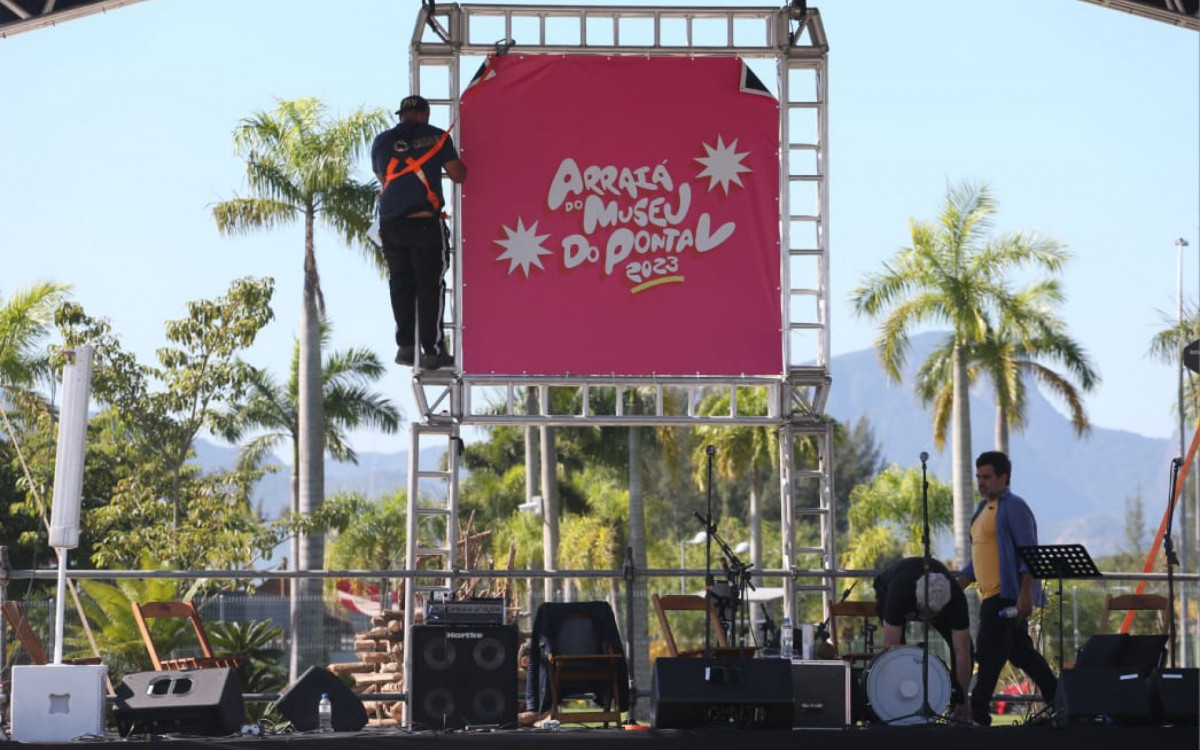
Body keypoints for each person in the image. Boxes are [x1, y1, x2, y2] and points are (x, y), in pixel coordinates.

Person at [957, 450, 1057, 726]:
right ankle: (1061, 699)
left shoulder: (1013, 507)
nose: (981, 482)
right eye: (979, 476)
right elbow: (979, 556)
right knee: (1021, 654)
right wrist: (959, 584)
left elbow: (1028, 553)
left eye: (987, 476)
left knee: (988, 655)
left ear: (1003, 477)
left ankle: (977, 715)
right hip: (988, 594)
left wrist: (1026, 593)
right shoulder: (981, 511)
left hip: (1006, 596)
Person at [371, 94, 467, 370]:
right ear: (425, 113)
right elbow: (458, 174)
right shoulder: (436, 137)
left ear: (401, 115)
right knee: (430, 286)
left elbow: (383, 177)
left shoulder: (382, 141)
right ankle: (431, 350)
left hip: (391, 224)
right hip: (424, 222)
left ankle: (405, 346)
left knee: (400, 283)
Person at [873, 557, 973, 723]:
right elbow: (890, 646)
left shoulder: (955, 598)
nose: (927, 618)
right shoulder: (900, 590)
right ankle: (895, 709)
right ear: (918, 603)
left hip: (934, 601)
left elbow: (962, 651)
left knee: (968, 648)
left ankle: (957, 710)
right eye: (926, 612)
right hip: (888, 587)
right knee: (899, 653)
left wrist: (963, 700)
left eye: (933, 614)